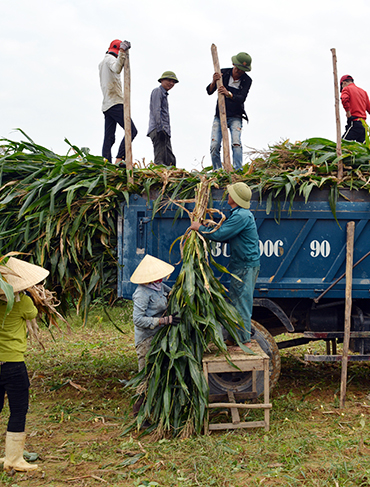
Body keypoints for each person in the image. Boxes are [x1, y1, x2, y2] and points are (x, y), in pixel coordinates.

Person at [0, 257, 49, 473]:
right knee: (18, 409)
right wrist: (29, 294)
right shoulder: (21, 302)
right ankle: (14, 459)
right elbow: (34, 313)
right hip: (12, 364)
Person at [189, 182, 259, 345]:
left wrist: (199, 228)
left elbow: (220, 235)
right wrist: (209, 227)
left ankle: (244, 342)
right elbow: (227, 233)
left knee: (241, 303)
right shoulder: (239, 214)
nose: (228, 195)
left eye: (230, 193)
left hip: (245, 266)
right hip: (242, 265)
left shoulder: (241, 215)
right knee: (235, 301)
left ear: (235, 198)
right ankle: (234, 338)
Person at [130, 254, 175, 416]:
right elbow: (138, 320)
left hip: (159, 338)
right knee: (146, 375)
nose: (162, 278)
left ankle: (155, 409)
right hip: (146, 340)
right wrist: (163, 321)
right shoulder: (142, 293)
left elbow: (174, 292)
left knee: (158, 373)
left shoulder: (159, 287)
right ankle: (140, 413)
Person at [206, 52, 253, 171]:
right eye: (238, 69)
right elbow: (209, 91)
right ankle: (217, 170)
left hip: (236, 116)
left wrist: (229, 94)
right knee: (214, 144)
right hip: (220, 115)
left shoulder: (247, 80)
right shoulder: (223, 73)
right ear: (233, 64)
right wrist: (214, 81)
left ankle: (238, 170)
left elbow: (241, 98)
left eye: (242, 70)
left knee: (236, 143)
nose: (239, 72)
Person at [99, 39, 138, 166]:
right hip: (115, 102)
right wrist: (122, 52)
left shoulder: (102, 63)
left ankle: (106, 162)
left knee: (109, 136)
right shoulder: (110, 59)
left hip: (107, 104)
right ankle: (119, 159)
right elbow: (117, 69)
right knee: (131, 130)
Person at [147, 71, 179, 167]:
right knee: (160, 160)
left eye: (173, 82)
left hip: (164, 130)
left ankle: (170, 177)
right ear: (162, 80)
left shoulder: (164, 94)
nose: (171, 83)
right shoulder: (157, 91)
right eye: (169, 80)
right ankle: (159, 177)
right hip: (159, 129)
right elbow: (156, 110)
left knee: (170, 160)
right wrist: (160, 129)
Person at [339, 75, 370, 143]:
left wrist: (348, 114)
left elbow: (344, 99)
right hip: (364, 126)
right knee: (362, 149)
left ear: (344, 83)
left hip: (355, 122)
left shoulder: (347, 89)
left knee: (342, 145)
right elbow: (369, 107)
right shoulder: (363, 92)